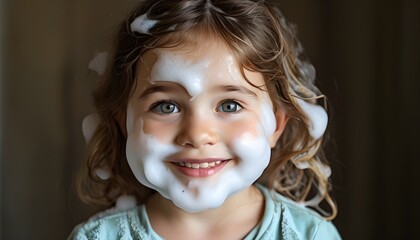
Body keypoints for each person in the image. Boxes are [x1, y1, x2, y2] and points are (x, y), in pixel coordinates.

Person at [69, 0, 341, 239]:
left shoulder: (311, 236)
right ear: (124, 122)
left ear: (276, 124)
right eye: (166, 106)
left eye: (230, 105)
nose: (197, 134)